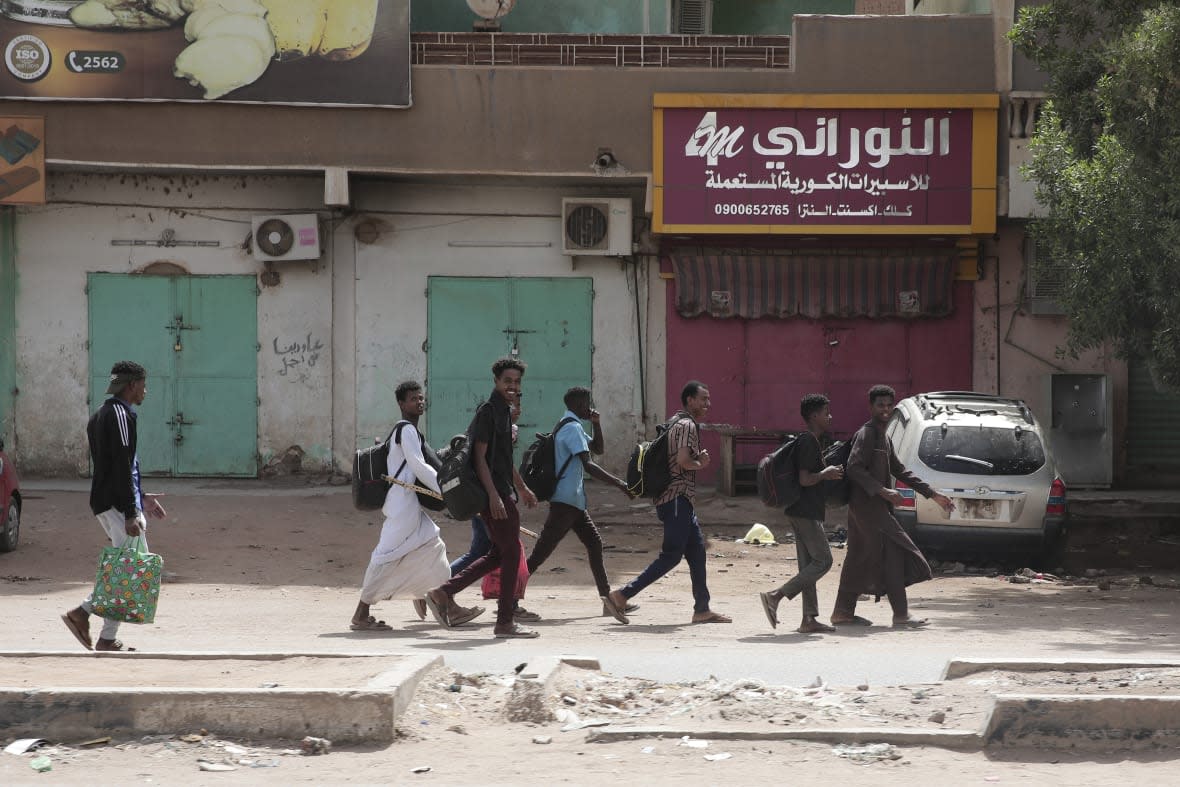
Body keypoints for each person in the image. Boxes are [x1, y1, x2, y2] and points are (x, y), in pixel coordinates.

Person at [351, 381, 483, 631]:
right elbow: (420, 467)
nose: (419, 402)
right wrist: (448, 491)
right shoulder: (406, 431)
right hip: (401, 507)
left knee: (434, 546)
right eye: (413, 399)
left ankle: (440, 600)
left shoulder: (408, 430)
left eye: (421, 398)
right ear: (401, 404)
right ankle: (361, 613)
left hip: (406, 505)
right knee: (384, 558)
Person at [424, 357, 539, 638]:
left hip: (502, 491)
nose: (512, 386)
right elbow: (480, 457)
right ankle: (504, 622)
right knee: (510, 551)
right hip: (493, 494)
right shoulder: (489, 412)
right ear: (497, 382)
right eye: (507, 381)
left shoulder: (504, 411)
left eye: (517, 382)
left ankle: (444, 591)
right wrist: (493, 496)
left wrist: (521, 487)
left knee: (498, 553)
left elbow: (503, 459)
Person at [61, 361, 167, 652]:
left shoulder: (101, 415)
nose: (146, 390)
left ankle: (107, 636)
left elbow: (118, 467)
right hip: (116, 505)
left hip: (110, 501)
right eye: (143, 385)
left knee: (128, 566)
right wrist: (132, 510)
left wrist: (141, 496)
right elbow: (121, 465)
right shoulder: (120, 415)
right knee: (128, 568)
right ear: (131, 385)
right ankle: (82, 613)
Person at [605, 380, 731, 624]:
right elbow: (684, 461)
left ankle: (702, 609)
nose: (708, 404)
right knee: (672, 555)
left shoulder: (674, 421)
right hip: (675, 499)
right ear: (690, 400)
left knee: (697, 553)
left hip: (678, 500)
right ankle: (621, 595)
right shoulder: (687, 425)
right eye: (703, 399)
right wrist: (701, 464)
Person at [831, 384, 955, 629]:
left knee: (859, 557)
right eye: (880, 405)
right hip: (867, 508)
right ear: (871, 407)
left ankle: (843, 612)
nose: (885, 409)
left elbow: (900, 470)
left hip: (872, 509)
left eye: (889, 405)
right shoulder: (866, 434)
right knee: (897, 551)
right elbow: (854, 467)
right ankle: (900, 615)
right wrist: (883, 490)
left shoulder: (884, 436)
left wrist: (932, 494)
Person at [525, 386, 637, 623]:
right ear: (577, 405)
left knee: (594, 544)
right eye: (587, 403)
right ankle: (510, 600)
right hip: (566, 502)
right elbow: (589, 464)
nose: (590, 406)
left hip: (573, 502)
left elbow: (598, 449)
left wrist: (596, 423)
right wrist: (619, 484)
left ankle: (608, 600)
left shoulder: (569, 424)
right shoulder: (573, 428)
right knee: (540, 554)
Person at [758, 394, 845, 634]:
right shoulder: (808, 441)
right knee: (824, 561)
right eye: (826, 412)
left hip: (799, 509)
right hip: (805, 511)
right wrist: (825, 473)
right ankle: (775, 596)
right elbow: (805, 479)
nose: (830, 416)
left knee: (808, 565)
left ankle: (809, 619)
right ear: (814, 416)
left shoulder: (808, 440)